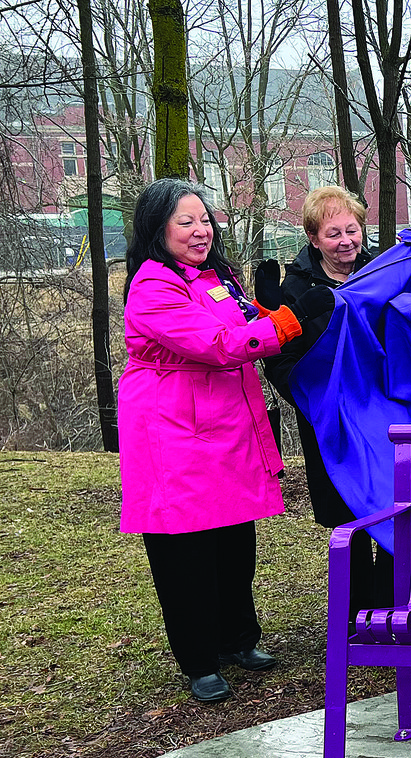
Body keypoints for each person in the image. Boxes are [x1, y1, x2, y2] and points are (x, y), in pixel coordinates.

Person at [119, 178, 301, 703]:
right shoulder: (153, 287)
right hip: (173, 428)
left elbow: (247, 325)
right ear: (158, 229)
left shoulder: (217, 275)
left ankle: (238, 639)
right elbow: (217, 343)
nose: (202, 231)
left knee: (233, 540)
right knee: (186, 549)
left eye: (205, 220)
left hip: (225, 423)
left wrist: (274, 307)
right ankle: (199, 660)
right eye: (186, 222)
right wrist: (290, 322)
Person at [262, 186, 392, 615]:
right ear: (314, 238)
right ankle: (357, 616)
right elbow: (281, 360)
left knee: (392, 506)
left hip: (382, 416)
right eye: (333, 232)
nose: (346, 241)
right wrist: (313, 399)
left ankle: (391, 610)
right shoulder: (295, 288)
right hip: (330, 418)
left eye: (352, 229)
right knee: (349, 517)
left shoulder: (380, 275)